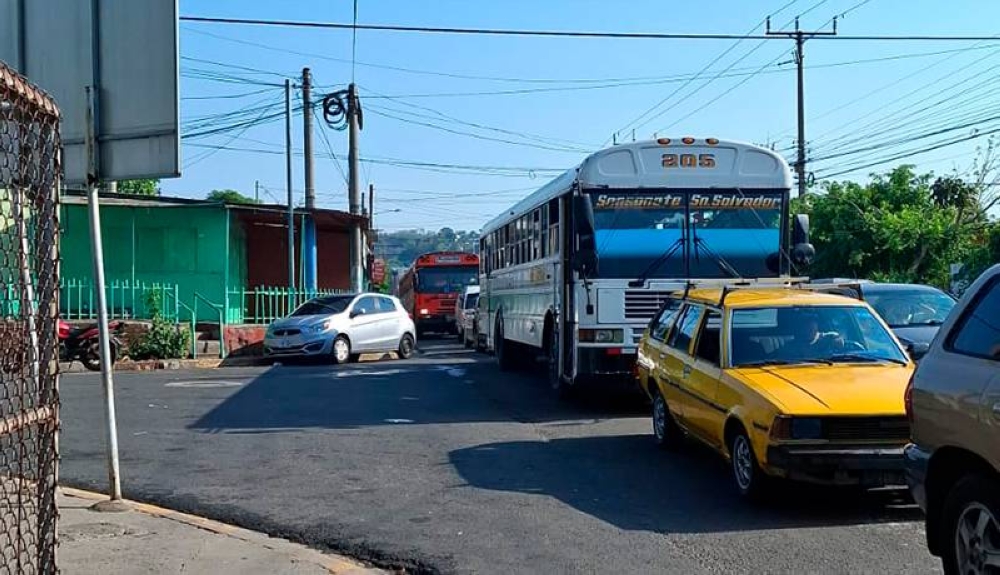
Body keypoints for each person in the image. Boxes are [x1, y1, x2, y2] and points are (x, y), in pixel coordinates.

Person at [779, 315, 844, 359]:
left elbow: (842, 350)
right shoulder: (791, 346)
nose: (808, 330)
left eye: (811, 329)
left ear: (817, 326)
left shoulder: (830, 338)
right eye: (805, 326)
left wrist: (838, 342)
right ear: (799, 329)